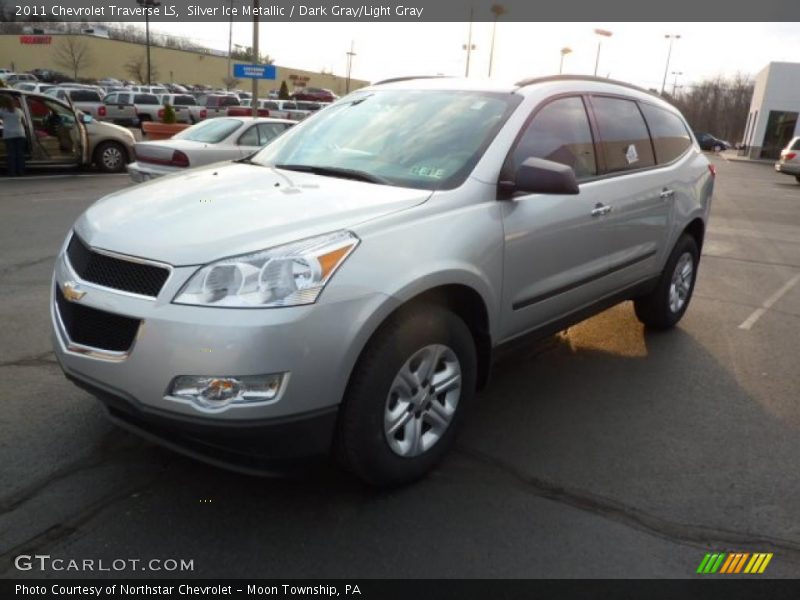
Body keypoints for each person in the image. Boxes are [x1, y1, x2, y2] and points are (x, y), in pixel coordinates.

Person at [0, 94, 26, 176]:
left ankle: (12, 172)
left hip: (9, 135)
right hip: (20, 133)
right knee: (20, 154)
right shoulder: (19, 111)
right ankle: (21, 171)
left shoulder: (2, 111)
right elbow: (24, 123)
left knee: (11, 154)